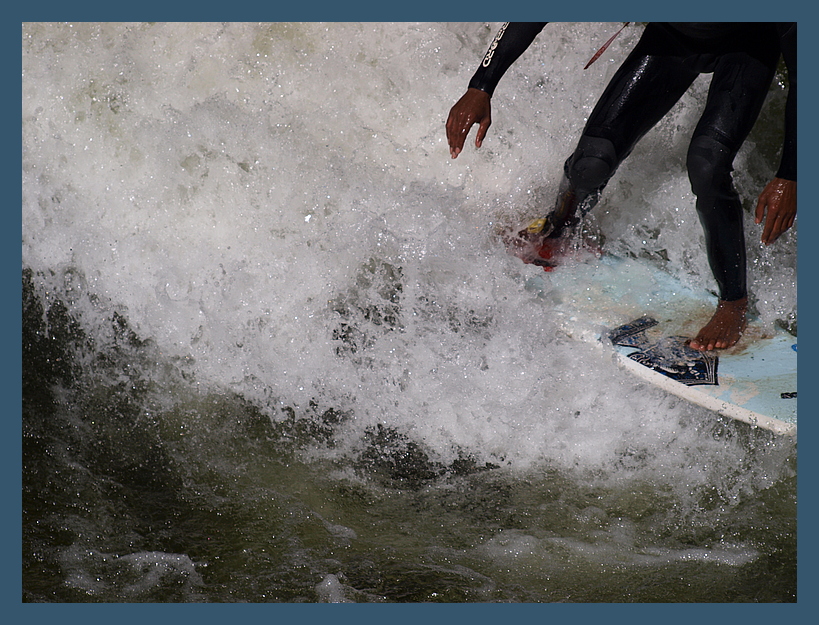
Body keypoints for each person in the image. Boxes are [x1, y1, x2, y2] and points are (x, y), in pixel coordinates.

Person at [446, 22, 796, 351]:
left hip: (749, 45)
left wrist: (790, 174)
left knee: (707, 164)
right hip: (673, 37)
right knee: (590, 163)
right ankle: (561, 227)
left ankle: (733, 302)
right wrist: (481, 85)